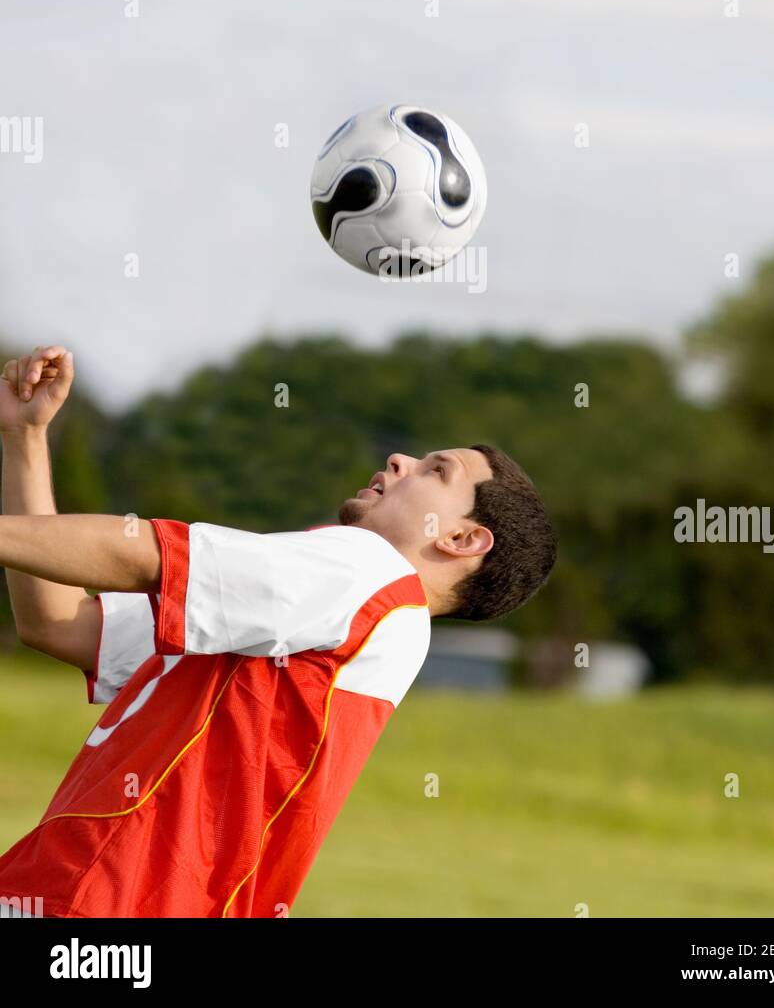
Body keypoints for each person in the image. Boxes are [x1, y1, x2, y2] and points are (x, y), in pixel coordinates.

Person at [0, 346, 557, 918]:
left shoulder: (370, 572)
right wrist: (26, 437)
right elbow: (57, 621)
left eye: (436, 471)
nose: (399, 459)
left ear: (462, 540)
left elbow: (144, 552)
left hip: (103, 907)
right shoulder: (344, 615)